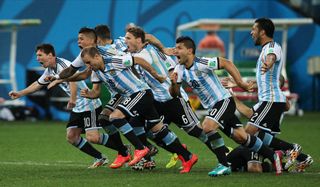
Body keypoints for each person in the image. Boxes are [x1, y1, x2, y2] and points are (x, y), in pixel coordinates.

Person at [170, 36, 283, 176]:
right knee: (241, 137)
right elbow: (175, 94)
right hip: (214, 107)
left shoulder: (202, 62)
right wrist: (174, 84)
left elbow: (226, 63)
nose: (175, 51)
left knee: (207, 126)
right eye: (175, 48)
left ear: (189, 50)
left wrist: (241, 84)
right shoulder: (179, 69)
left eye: (179, 48)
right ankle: (273, 156)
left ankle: (223, 165)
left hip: (224, 101)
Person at [125, 26, 233, 171]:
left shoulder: (146, 53)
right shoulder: (146, 50)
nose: (125, 41)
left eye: (128, 38)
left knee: (196, 131)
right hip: (158, 101)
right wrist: (163, 49)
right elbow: (149, 38)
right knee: (143, 126)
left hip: (174, 99)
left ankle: (224, 152)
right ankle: (175, 155)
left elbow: (148, 39)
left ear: (139, 40)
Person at [8, 43, 113, 168]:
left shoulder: (63, 65)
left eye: (40, 55)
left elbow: (72, 80)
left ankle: (123, 149)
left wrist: (72, 99)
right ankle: (100, 157)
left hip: (87, 103)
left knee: (93, 138)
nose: (38, 58)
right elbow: (37, 84)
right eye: (37, 56)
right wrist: (20, 93)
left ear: (51, 55)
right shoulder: (50, 70)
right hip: (78, 107)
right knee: (72, 136)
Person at [246, 18, 304, 170]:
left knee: (249, 132)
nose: (251, 32)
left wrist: (269, 62)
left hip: (271, 100)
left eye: (254, 29)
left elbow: (272, 57)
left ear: (262, 32)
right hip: (270, 100)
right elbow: (267, 77)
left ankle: (284, 151)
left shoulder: (272, 47)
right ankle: (296, 154)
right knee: (259, 136)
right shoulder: (265, 49)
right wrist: (252, 83)